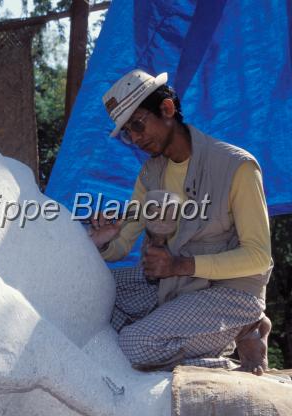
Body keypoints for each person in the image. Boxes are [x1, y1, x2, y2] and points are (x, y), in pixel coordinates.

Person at [90, 69, 273, 374]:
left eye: (137, 124)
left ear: (167, 110)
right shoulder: (150, 174)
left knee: (131, 346)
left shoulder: (237, 166)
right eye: (126, 132)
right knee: (94, 294)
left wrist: (179, 266)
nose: (134, 138)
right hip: (174, 284)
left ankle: (244, 334)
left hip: (229, 292)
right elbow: (122, 243)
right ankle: (175, 332)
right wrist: (104, 240)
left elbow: (259, 258)